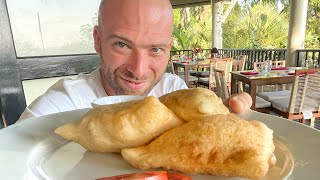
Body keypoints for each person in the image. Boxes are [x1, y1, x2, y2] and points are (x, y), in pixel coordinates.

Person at [18, 0, 252, 121]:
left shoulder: (172, 90)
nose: (138, 70)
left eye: (156, 49)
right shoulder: (63, 104)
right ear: (98, 40)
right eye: (122, 44)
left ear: (169, 48)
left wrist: (228, 118)